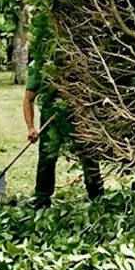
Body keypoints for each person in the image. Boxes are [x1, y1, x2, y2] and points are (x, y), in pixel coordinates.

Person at [23, 59, 103, 208]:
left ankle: (97, 198)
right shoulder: (39, 66)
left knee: (89, 155)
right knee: (47, 158)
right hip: (51, 117)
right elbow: (28, 99)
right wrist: (30, 127)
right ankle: (41, 199)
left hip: (81, 116)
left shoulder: (82, 59)